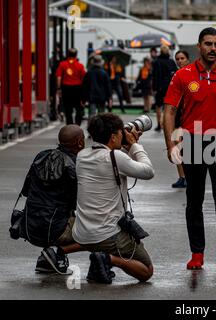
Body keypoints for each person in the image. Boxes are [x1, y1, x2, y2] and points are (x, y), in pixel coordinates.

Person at [163, 27, 216, 272]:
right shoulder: (183, 75)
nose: (212, 48)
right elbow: (169, 111)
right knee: (194, 200)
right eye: (208, 44)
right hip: (192, 142)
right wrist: (171, 144)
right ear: (198, 46)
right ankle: (197, 254)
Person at [72, 113, 155, 284]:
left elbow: (110, 159)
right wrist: (135, 145)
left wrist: (124, 146)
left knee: (98, 239)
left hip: (81, 234)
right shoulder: (115, 157)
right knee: (146, 271)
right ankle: (108, 259)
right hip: (107, 236)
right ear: (113, 137)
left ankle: (99, 263)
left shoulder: (82, 156)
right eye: (120, 132)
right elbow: (148, 171)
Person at [20, 125, 86, 274]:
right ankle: (57, 252)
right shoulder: (76, 164)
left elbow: (25, 191)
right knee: (100, 230)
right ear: (80, 142)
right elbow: (82, 202)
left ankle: (48, 260)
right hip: (56, 229)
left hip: (29, 226)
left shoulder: (41, 156)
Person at [170, 50, 190, 189]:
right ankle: (182, 177)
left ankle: (189, 176)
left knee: (188, 149)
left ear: (187, 60)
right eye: (177, 58)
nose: (180, 61)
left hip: (189, 117)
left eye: (182, 58)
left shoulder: (193, 75)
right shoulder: (174, 76)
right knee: (177, 147)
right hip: (177, 117)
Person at [56, 48, 86, 125]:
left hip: (66, 89)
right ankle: (77, 125)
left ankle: (69, 126)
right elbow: (83, 79)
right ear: (76, 55)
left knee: (68, 109)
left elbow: (59, 77)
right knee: (78, 109)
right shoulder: (80, 66)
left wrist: (59, 88)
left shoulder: (62, 64)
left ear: (68, 54)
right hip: (77, 89)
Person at [152, 45, 178, 131]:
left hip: (159, 87)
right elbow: (175, 74)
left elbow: (155, 75)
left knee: (158, 106)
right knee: (168, 106)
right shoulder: (171, 62)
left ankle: (159, 125)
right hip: (170, 87)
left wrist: (154, 88)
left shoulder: (156, 62)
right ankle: (168, 124)